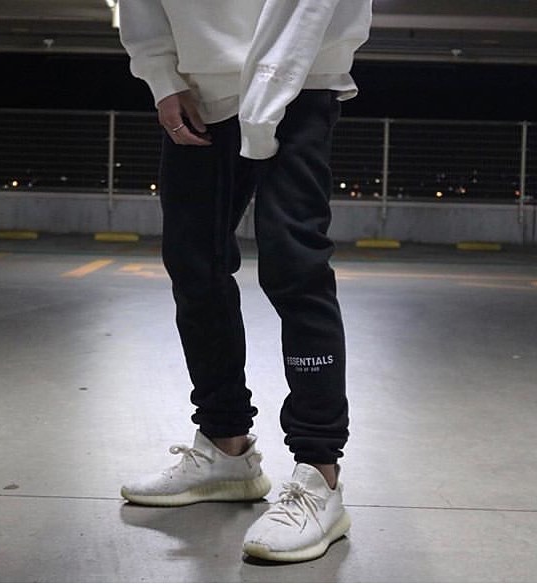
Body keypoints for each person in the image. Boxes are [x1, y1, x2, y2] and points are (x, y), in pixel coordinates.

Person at [118, 0, 372, 563]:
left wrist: (267, 94)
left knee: (294, 264)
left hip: (300, 79)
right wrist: (162, 77)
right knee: (193, 263)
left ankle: (320, 473)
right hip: (197, 91)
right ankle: (225, 447)